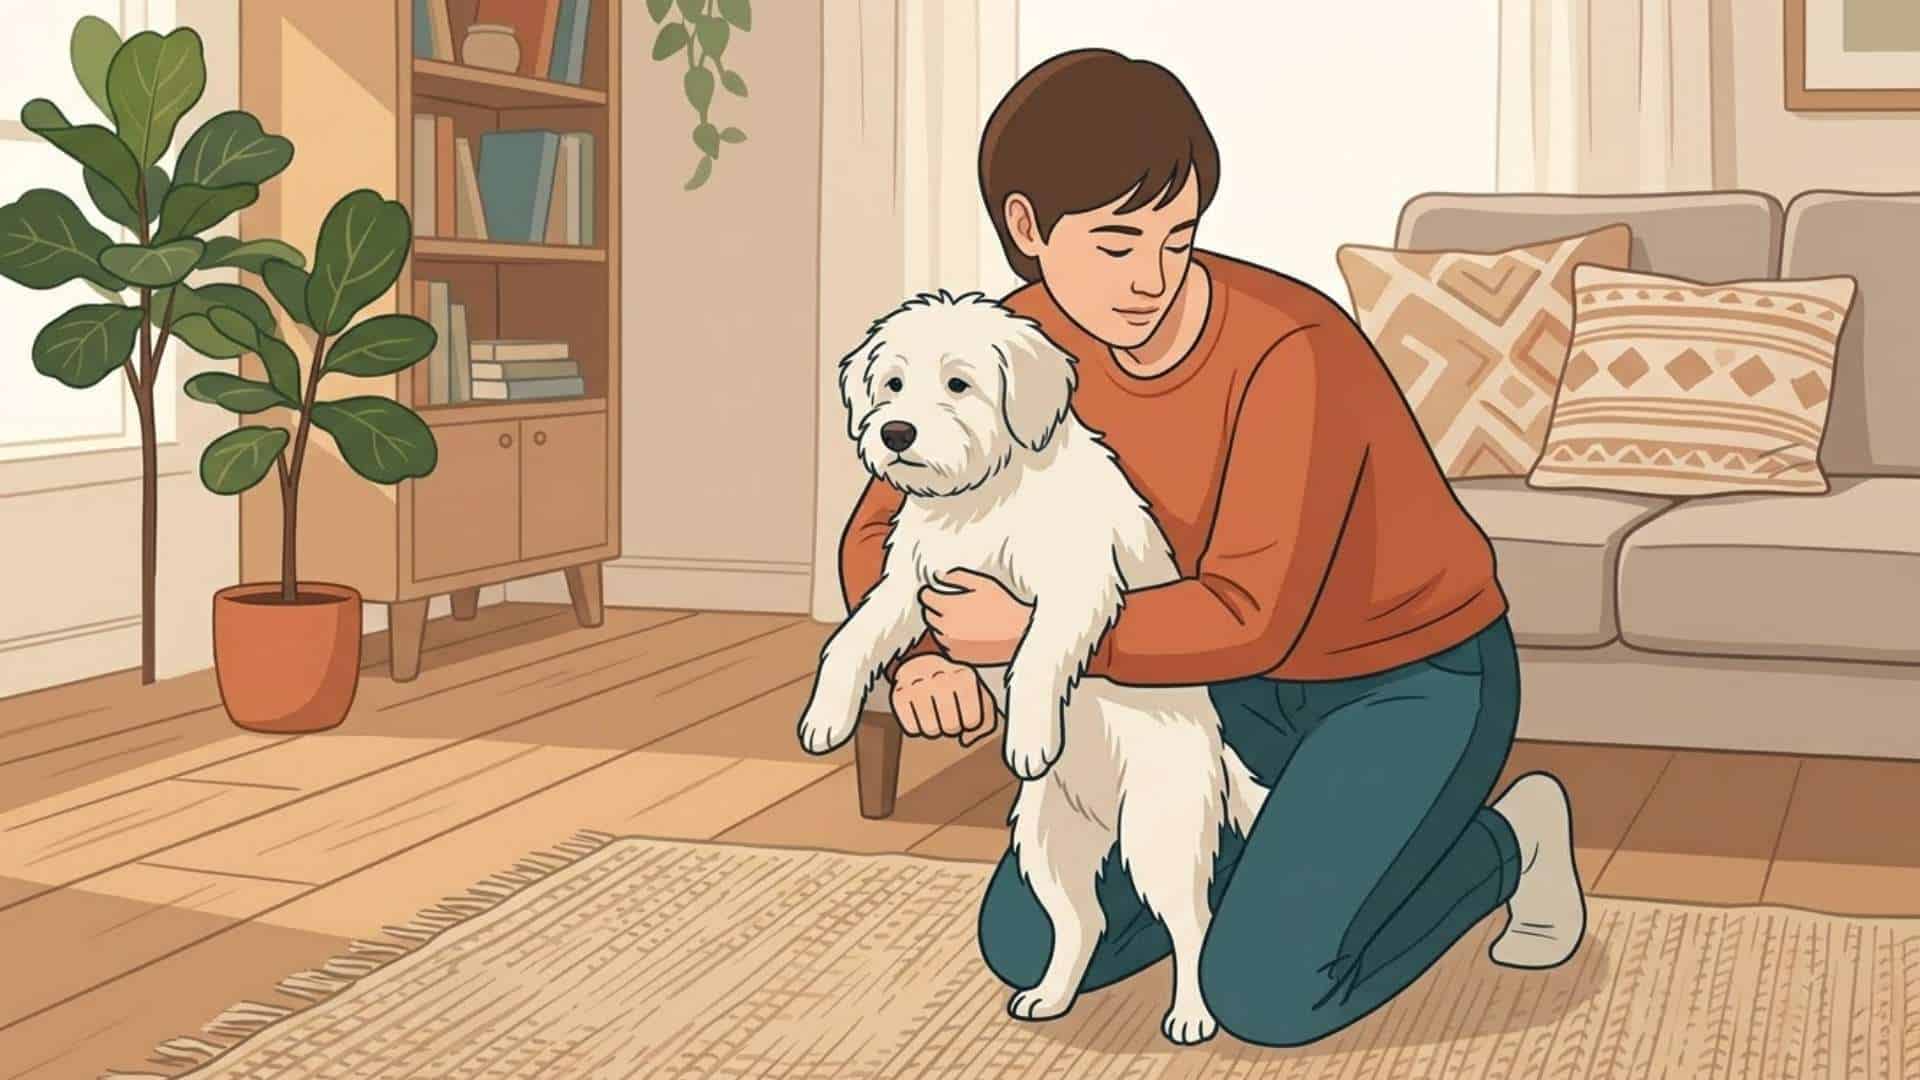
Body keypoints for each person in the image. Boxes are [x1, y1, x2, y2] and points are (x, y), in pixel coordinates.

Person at [835, 48, 1585, 1048]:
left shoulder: (1291, 352)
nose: (1150, 279)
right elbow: (885, 524)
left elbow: (1251, 616)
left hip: (1404, 678)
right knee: (1040, 942)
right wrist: (928, 651)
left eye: (1176, 239)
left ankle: (1507, 841)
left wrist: (1023, 639)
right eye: (1114, 245)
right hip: (1189, 686)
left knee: (1268, 994)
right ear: (1027, 229)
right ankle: (1283, 856)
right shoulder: (1011, 345)